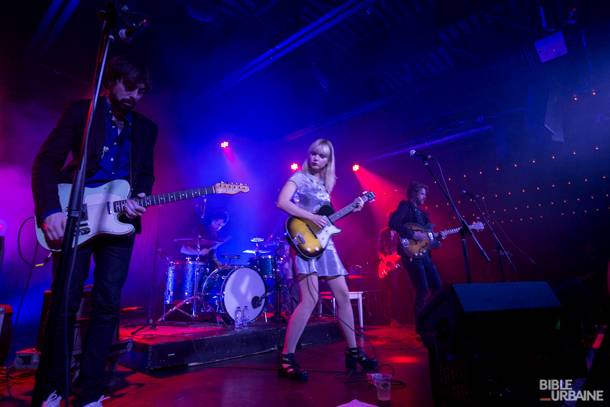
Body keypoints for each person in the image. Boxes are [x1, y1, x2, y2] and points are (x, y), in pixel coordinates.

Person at [31, 57, 157, 407]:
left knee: (107, 306)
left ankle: (91, 392)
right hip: (77, 215)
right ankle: (53, 389)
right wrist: (50, 212)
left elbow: (145, 174)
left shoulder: (146, 128)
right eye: (129, 87)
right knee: (64, 304)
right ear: (111, 81)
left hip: (119, 223)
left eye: (142, 91)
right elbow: (46, 162)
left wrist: (140, 197)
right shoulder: (81, 114)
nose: (135, 95)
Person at [276, 138, 377, 381]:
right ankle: (287, 357)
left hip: (326, 245)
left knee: (342, 295)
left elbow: (326, 221)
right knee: (309, 299)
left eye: (321, 156)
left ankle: (353, 351)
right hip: (303, 242)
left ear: (328, 160)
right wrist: (311, 216)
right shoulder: (298, 178)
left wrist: (354, 207)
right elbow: (282, 202)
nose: (316, 158)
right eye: (313, 153)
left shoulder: (325, 185)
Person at [389, 182, 443, 323]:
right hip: (412, 255)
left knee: (437, 287)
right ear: (414, 193)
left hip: (425, 255)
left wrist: (438, 239)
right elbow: (393, 223)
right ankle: (421, 325)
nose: (425, 196)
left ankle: (434, 321)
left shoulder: (423, 214)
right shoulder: (405, 206)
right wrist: (412, 234)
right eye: (422, 193)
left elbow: (429, 238)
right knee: (423, 290)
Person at [377, 226, 410, 326]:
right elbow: (379, 249)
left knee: (405, 289)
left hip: (402, 264)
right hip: (389, 266)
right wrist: (385, 259)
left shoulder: (402, 232)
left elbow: (406, 247)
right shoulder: (383, 232)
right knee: (393, 291)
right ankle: (393, 318)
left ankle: (406, 317)